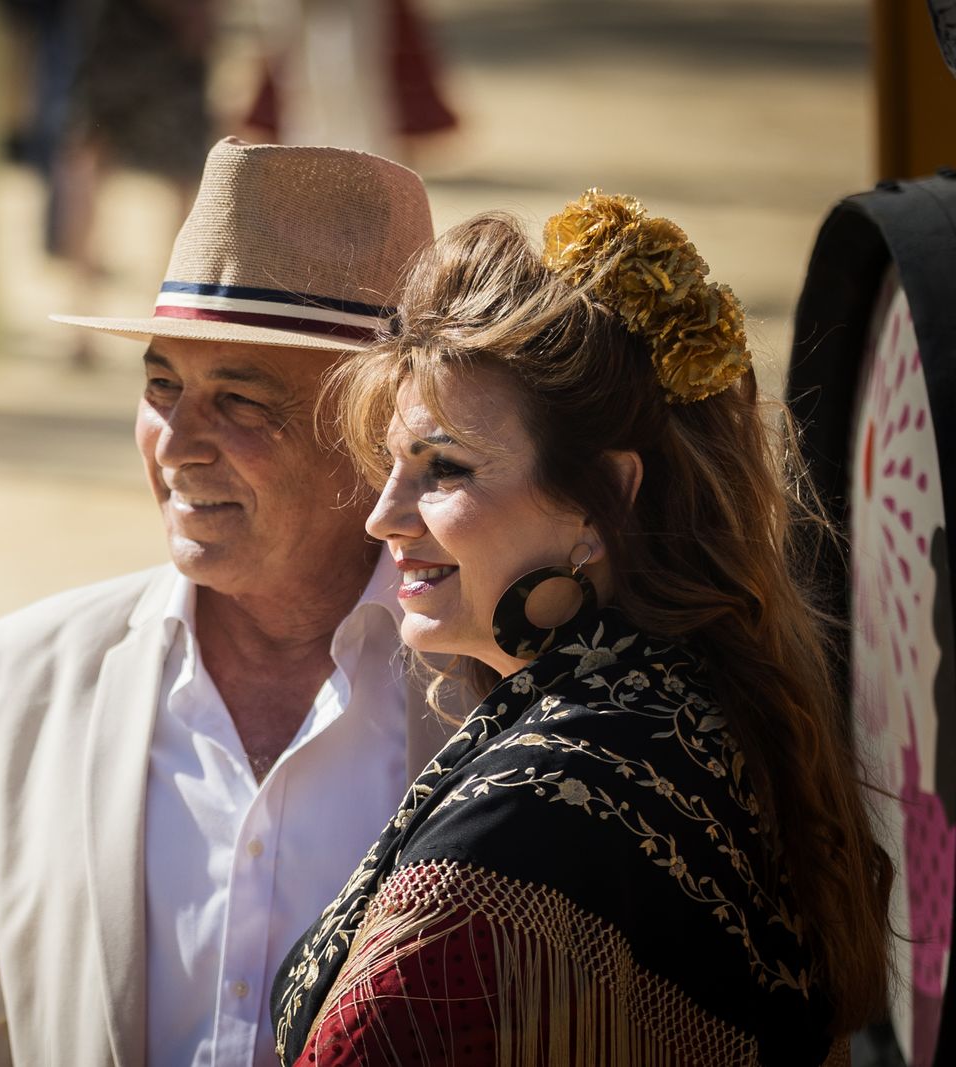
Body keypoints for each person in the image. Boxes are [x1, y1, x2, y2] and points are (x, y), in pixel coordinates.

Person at [270, 194, 892, 1065]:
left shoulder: (525, 829)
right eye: (392, 466)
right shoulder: (700, 711)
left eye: (442, 470)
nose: (384, 517)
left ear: (602, 501)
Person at [0, 137, 453, 1067]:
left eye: (240, 400)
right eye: (161, 385)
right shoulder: (14, 684)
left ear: (376, 433)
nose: (176, 442)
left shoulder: (501, 695)